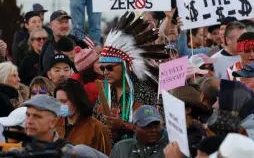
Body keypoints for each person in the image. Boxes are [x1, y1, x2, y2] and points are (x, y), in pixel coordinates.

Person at [93, 12, 169, 145]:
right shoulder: (104, 95)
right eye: (103, 68)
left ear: (126, 66)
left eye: (110, 67)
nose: (105, 72)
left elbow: (160, 130)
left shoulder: (147, 92)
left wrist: (123, 126)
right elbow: (94, 124)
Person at [54, 79, 110, 153]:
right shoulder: (55, 124)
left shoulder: (97, 128)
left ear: (76, 100)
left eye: (63, 101)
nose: (59, 105)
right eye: (57, 101)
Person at [40, 10, 86, 74]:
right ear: (51, 26)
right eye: (61, 22)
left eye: (66, 22)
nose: (65, 26)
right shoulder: (47, 48)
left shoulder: (79, 43)